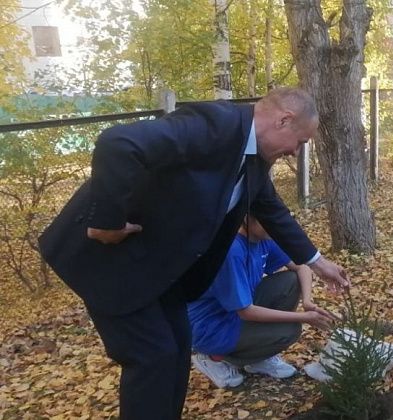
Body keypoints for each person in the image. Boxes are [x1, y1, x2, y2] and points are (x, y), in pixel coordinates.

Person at [38, 87, 350, 420]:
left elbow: (272, 211)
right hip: (108, 260)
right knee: (152, 356)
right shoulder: (214, 124)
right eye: (300, 143)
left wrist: (318, 263)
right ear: (283, 120)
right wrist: (107, 222)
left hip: (160, 266)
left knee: (177, 346)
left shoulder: (254, 159)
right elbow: (118, 143)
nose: (294, 152)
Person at [188, 216, 347, 388]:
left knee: (290, 281)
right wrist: (304, 317)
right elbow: (246, 311)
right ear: (248, 219)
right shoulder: (232, 250)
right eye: (266, 218)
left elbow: (301, 267)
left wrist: (307, 301)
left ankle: (258, 359)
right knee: (289, 330)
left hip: (234, 310)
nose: (274, 225)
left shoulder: (262, 238)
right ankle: (212, 358)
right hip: (210, 327)